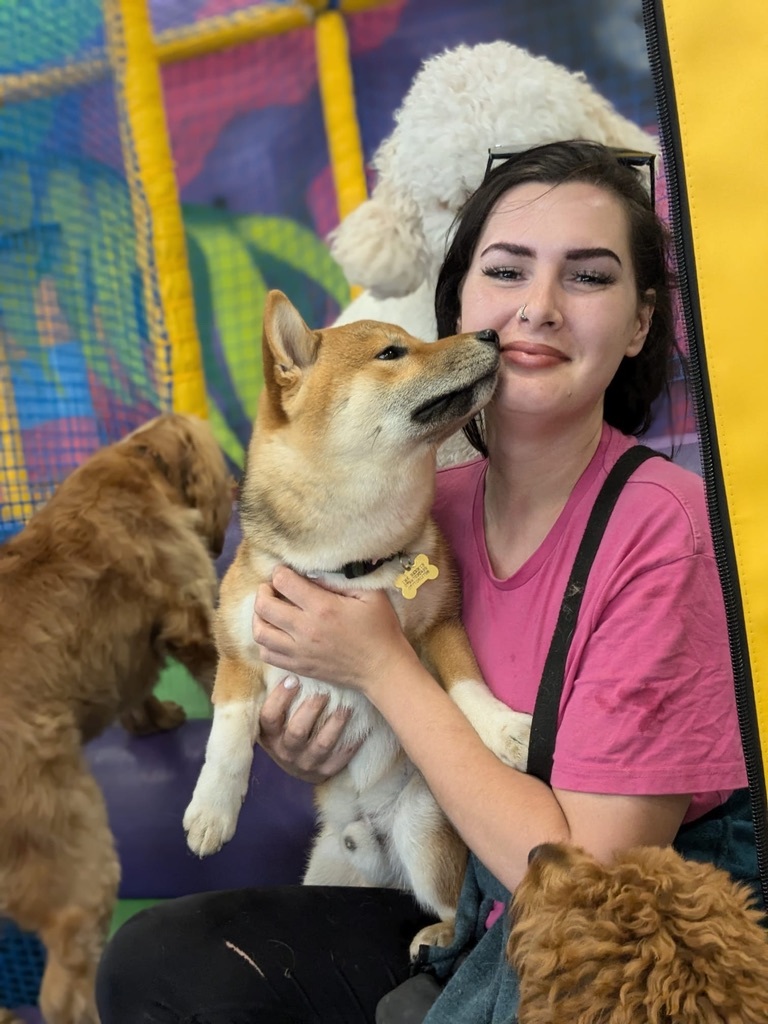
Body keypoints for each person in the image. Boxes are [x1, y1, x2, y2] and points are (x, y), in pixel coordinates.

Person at [96, 141, 754, 1024]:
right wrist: (303, 735)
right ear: (462, 308)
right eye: (507, 270)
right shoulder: (414, 509)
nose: (539, 307)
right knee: (161, 964)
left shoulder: (662, 527)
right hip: (452, 895)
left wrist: (381, 670)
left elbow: (592, 889)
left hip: (588, 944)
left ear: (640, 323)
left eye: (590, 277)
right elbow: (292, 658)